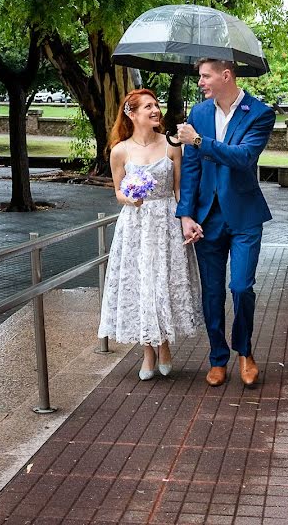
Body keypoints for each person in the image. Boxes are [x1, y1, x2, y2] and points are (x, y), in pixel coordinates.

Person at [175, 58, 276, 387]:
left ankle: (244, 351)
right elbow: (190, 169)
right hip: (207, 218)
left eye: (206, 76)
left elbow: (244, 158)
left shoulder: (259, 113)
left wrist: (200, 141)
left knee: (241, 287)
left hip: (245, 216)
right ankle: (218, 356)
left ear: (226, 75)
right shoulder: (199, 114)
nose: (201, 82)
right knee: (213, 293)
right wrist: (186, 215)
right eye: (201, 77)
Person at [98, 88, 204, 380]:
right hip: (136, 225)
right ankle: (147, 351)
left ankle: (166, 345)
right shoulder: (120, 151)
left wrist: (186, 217)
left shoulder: (171, 145)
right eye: (148, 107)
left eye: (156, 105)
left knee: (164, 283)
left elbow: (179, 187)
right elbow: (118, 190)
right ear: (132, 114)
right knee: (142, 283)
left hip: (167, 221)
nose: (156, 110)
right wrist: (129, 198)